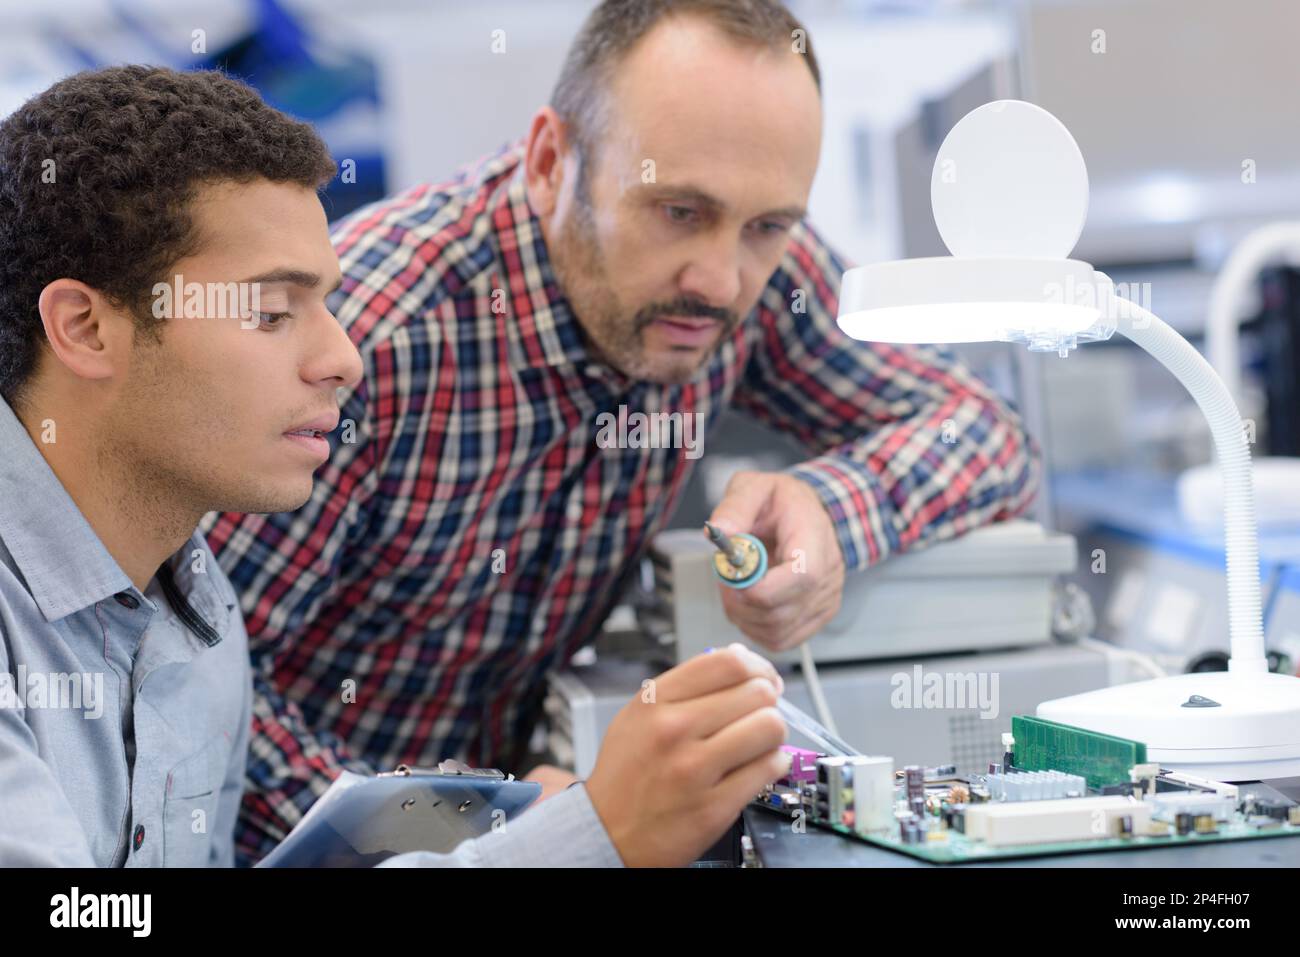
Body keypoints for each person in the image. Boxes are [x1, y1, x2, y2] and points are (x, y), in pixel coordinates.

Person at [205, 0, 1040, 865]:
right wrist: (484, 832)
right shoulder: (372, 340)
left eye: (768, 226)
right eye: (678, 211)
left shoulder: (739, 274)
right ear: (549, 163)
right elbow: (200, 702)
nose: (722, 282)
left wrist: (831, 506)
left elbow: (984, 429)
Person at [0, 64, 786, 868]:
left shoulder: (201, 610)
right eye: (270, 312)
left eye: (326, 305)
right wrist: (592, 837)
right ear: (86, 328)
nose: (344, 358)